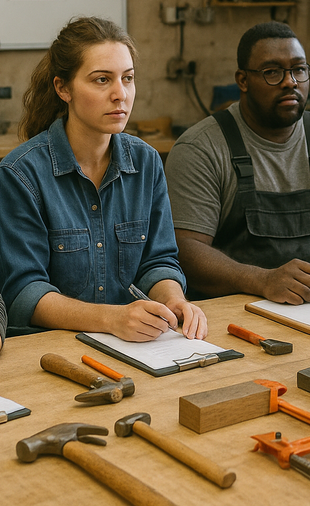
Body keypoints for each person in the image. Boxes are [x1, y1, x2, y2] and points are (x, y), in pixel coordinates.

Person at [0, 17, 207, 342]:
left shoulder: (147, 162)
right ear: (63, 88)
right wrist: (112, 318)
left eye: (128, 78)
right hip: (48, 352)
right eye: (101, 80)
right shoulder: (21, 173)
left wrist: (174, 300)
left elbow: (158, 260)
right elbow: (24, 293)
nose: (120, 94)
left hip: (137, 346)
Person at [165, 21, 310, 305]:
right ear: (242, 80)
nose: (290, 81)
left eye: (299, 70)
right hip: (229, 313)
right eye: (272, 72)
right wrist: (261, 280)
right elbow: (185, 249)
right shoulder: (200, 149)